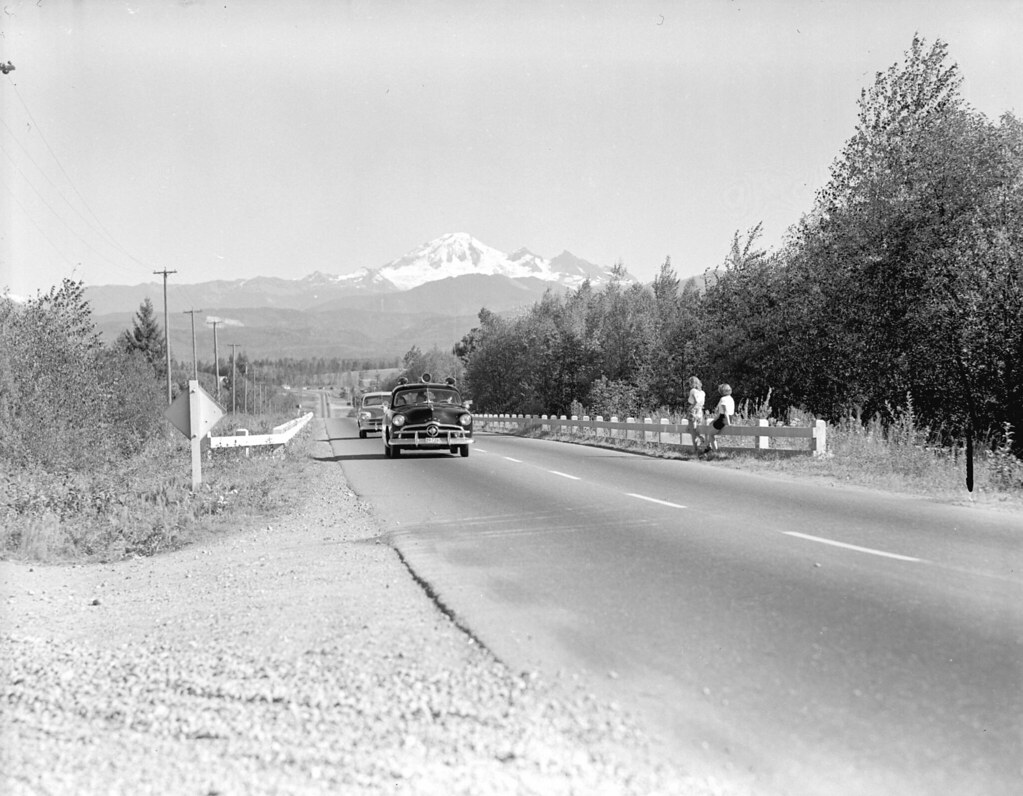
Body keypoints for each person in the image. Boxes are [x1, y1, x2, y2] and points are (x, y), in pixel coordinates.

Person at [704, 383, 735, 455]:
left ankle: (715, 452)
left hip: (723, 418)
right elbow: (722, 412)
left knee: (711, 434)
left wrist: (728, 422)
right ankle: (707, 446)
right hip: (729, 417)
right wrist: (714, 420)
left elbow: (725, 412)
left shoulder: (723, 399)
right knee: (710, 425)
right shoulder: (731, 398)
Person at [686, 376, 706, 454]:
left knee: (692, 430)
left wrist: (690, 408)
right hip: (700, 411)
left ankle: (695, 448)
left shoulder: (693, 391)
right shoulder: (702, 392)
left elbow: (695, 401)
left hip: (693, 411)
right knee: (692, 429)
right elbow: (702, 403)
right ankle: (700, 441)